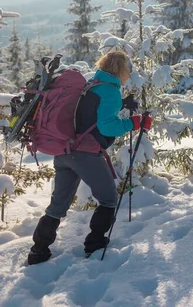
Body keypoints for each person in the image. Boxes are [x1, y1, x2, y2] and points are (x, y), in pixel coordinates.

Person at [27, 50, 152, 265]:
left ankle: (38, 250)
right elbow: (107, 126)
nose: (129, 74)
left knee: (58, 205)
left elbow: (88, 112)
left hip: (65, 152)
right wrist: (136, 122)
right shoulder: (110, 91)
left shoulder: (92, 84)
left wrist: (122, 103)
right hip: (85, 155)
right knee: (109, 198)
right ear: (120, 70)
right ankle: (95, 244)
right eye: (128, 70)